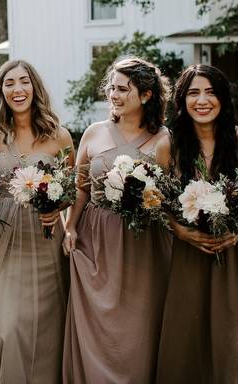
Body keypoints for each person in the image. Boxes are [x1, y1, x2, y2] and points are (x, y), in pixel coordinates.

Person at [154, 64, 238, 384]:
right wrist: (180, 229)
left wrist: (237, 231)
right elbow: (158, 204)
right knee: (190, 345)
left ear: (223, 98)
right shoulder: (169, 146)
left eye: (210, 92)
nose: (203, 100)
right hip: (190, 255)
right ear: (182, 101)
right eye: (194, 93)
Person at [61, 57, 173, 384]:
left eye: (123, 88)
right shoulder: (94, 134)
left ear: (147, 95)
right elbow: (80, 187)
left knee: (137, 325)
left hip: (143, 244)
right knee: (96, 323)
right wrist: (70, 226)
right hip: (94, 238)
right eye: (112, 87)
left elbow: (169, 194)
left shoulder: (165, 140)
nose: (114, 94)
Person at [0, 60, 73, 384]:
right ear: (2, 91)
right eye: (9, 83)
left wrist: (57, 206)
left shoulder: (59, 136)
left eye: (23, 82)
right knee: (5, 325)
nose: (17, 89)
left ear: (34, 87)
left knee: (47, 322)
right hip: (4, 236)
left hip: (44, 237)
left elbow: (70, 189)